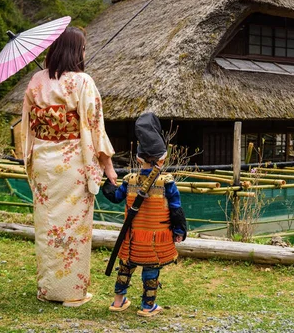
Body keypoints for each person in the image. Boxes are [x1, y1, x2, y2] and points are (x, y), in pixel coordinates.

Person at [21, 27, 117, 307]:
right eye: (83, 48)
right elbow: (95, 128)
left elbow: (29, 123)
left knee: (47, 226)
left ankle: (48, 288)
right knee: (73, 229)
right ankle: (71, 293)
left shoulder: (36, 81)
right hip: (72, 162)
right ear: (76, 51)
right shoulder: (83, 82)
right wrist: (108, 168)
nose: (85, 53)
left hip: (43, 161)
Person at [102, 112, 187, 317]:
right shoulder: (167, 182)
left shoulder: (129, 179)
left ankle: (118, 301)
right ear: (163, 157)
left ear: (139, 158)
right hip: (155, 237)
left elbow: (115, 197)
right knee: (151, 269)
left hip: (131, 236)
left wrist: (108, 183)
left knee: (125, 267)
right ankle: (148, 306)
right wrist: (179, 230)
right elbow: (175, 209)